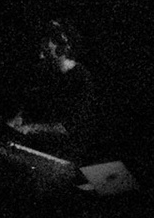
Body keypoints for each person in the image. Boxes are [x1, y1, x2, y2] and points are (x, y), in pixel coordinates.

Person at [5, 19, 98, 157]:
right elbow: (29, 105)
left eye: (47, 41)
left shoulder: (81, 79)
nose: (42, 45)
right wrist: (18, 118)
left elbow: (69, 127)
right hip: (31, 146)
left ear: (63, 46)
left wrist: (31, 128)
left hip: (59, 154)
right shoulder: (43, 72)